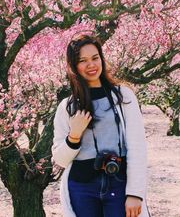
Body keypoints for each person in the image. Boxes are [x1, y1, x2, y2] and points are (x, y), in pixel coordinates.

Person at [52, 34, 149, 217]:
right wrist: (74, 136)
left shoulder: (124, 98)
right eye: (83, 60)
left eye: (95, 58)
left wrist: (135, 193)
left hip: (118, 182)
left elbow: (138, 147)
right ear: (74, 66)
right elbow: (60, 160)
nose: (91, 65)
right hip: (82, 188)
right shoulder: (67, 107)